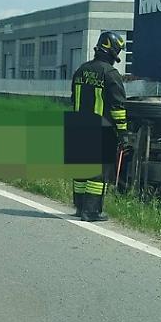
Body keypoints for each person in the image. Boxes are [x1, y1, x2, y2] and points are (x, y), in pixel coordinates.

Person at [69, 31, 129, 221]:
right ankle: (92, 211)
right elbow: (118, 108)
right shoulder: (110, 74)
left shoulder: (80, 70)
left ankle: (80, 208)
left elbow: (73, 99)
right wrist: (123, 134)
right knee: (97, 173)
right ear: (112, 51)